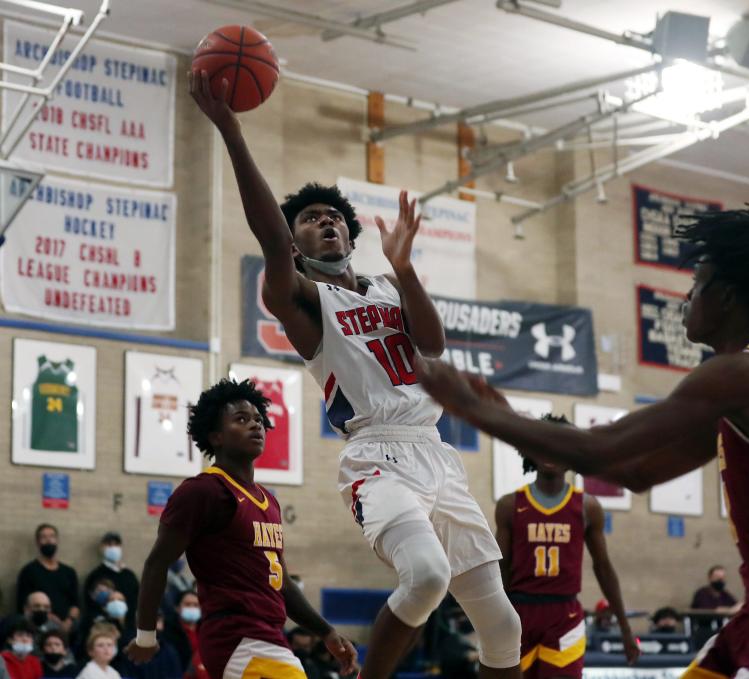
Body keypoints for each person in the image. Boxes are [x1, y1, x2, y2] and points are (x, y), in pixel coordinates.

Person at [417, 205, 749, 678]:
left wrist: (477, 412)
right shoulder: (744, 386)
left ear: (728, 297)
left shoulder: (746, 375)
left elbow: (598, 449)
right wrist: (508, 417)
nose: (687, 298)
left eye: (697, 284)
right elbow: (636, 472)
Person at [188, 68, 522, 679]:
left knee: (504, 626)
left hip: (436, 452)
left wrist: (408, 269)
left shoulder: (389, 285)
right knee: (425, 576)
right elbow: (267, 233)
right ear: (294, 244)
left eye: (334, 216)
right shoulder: (303, 302)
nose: (328, 221)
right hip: (375, 455)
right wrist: (231, 131)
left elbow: (434, 342)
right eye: (311, 218)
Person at [124, 379, 357, 679]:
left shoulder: (268, 501)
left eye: (259, 420)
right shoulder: (203, 491)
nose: (255, 426)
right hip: (236, 636)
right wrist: (146, 636)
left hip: (271, 636)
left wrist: (327, 632)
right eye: (241, 419)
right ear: (216, 436)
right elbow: (157, 562)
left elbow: (282, 584)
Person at [495, 415, 638, 678]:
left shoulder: (587, 507)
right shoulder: (509, 505)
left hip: (565, 616)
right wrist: (492, 618)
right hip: (518, 612)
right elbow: (499, 568)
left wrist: (625, 629)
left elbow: (603, 568)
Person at [16, 525, 79, 638]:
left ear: (57, 540)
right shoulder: (29, 571)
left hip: (68, 626)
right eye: (43, 537)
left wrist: (69, 621)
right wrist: (49, 617)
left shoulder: (69, 572)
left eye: (52, 536)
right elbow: (22, 604)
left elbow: (76, 603)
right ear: (37, 542)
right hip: (40, 624)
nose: (48, 540)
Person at [83, 534, 139, 629]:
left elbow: (138, 599)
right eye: (109, 544)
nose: (113, 548)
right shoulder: (96, 575)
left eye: (116, 544)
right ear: (102, 548)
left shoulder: (129, 575)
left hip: (129, 626)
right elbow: (90, 603)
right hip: (103, 626)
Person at [161, 591, 205, 679]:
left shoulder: (206, 629)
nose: (192, 608)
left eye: (196, 605)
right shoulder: (168, 632)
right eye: (187, 604)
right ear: (177, 608)